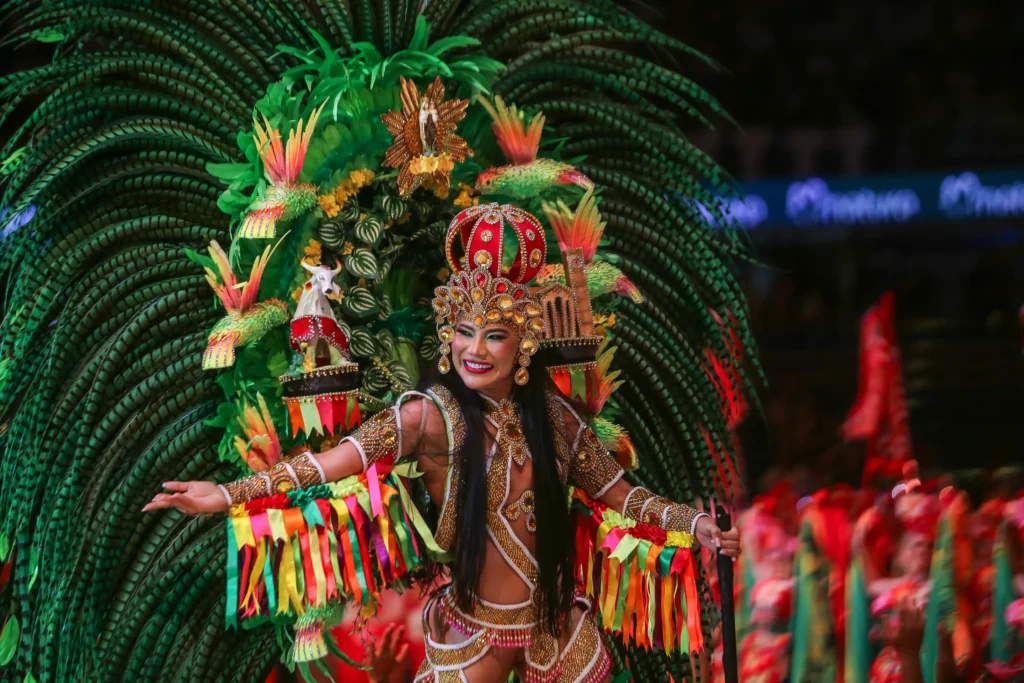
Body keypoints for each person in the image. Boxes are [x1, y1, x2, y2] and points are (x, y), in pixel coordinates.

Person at [144, 203, 742, 682]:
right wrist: (225, 494)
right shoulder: (427, 419)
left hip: (558, 639)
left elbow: (624, 499)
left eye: (495, 335)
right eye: (463, 331)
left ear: (524, 347)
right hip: (468, 641)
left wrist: (698, 527)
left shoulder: (556, 420)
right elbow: (323, 467)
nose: (474, 349)